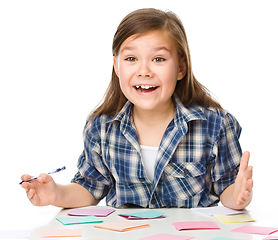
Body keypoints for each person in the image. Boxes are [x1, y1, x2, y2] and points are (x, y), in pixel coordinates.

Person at [21, 8, 253, 210]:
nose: (144, 71)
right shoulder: (101, 127)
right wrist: (56, 195)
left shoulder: (216, 124)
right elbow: (90, 188)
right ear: (117, 66)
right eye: (131, 58)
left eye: (159, 59)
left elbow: (228, 189)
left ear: (181, 67)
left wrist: (239, 196)